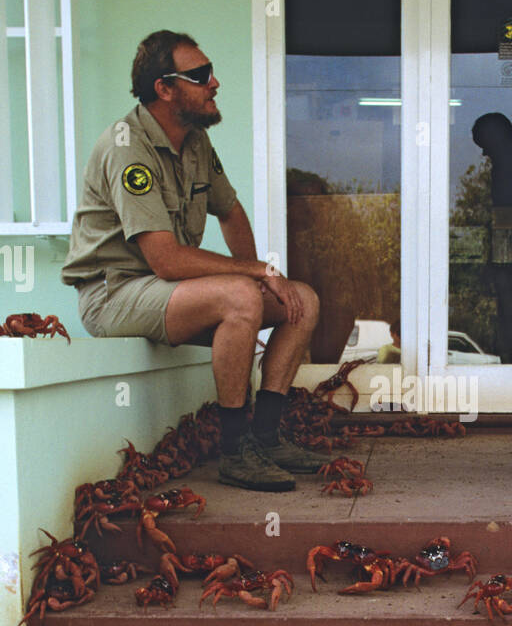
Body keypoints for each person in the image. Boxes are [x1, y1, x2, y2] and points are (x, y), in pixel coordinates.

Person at [62, 30, 320, 491]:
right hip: (114, 293)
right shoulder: (128, 148)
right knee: (241, 293)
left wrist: (266, 286)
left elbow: (230, 211)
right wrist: (256, 275)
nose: (215, 82)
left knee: (302, 300)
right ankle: (234, 450)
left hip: (172, 293)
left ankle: (266, 436)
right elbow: (164, 260)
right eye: (200, 76)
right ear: (164, 88)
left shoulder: (195, 139)